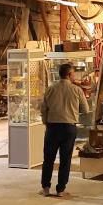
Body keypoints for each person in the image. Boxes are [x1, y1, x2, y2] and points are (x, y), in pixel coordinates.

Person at [40, 63, 89, 197]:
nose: (74, 76)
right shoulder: (76, 90)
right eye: (73, 73)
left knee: (48, 158)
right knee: (65, 159)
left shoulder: (50, 89)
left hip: (52, 127)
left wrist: (46, 122)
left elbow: (43, 109)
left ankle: (45, 187)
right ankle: (61, 189)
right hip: (69, 127)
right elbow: (85, 109)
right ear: (69, 74)